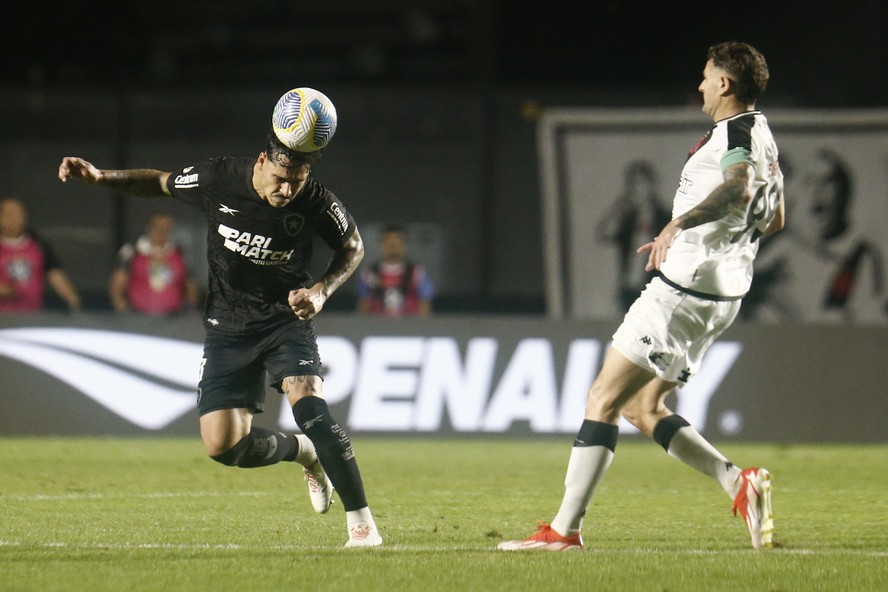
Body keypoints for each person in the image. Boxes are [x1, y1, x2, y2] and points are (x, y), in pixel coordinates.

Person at [498, 41, 784, 552]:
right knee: (642, 407)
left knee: (602, 399)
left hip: (683, 290)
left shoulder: (737, 133)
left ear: (725, 84)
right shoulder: (763, 135)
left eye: (705, 76)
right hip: (723, 295)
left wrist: (680, 222)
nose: (699, 85)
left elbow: (738, 189)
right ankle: (737, 485)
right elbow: (775, 216)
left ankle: (563, 531)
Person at [58, 127, 383, 547]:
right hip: (228, 327)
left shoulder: (317, 201)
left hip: (285, 319)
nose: (286, 191)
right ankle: (304, 452)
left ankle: (362, 525)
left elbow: (353, 247)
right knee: (223, 446)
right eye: (280, 180)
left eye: (295, 183)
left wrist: (321, 291)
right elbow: (159, 182)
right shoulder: (219, 179)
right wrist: (101, 177)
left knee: (311, 408)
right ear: (262, 162)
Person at [595, 160, 672, 313]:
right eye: (633, 185)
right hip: (629, 289)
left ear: (651, 186)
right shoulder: (626, 217)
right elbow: (605, 234)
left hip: (656, 290)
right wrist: (619, 206)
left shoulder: (665, 217)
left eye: (641, 184)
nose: (637, 189)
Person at [109, 211, 200, 315]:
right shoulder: (131, 250)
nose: (162, 231)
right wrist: (124, 312)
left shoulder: (180, 252)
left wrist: (190, 311)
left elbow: (191, 285)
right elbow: (117, 285)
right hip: (138, 317)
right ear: (149, 227)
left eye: (167, 228)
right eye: (158, 227)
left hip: (173, 318)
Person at [0, 197, 81, 313]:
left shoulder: (38, 244)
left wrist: (72, 298)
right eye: (9, 214)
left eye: (19, 213)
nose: (14, 218)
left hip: (32, 315)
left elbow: (54, 274)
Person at [355, 223, 434, 317]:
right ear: (381, 245)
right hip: (376, 327)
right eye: (388, 241)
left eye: (397, 241)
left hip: (410, 327)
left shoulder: (417, 273)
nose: (393, 245)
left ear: (405, 244)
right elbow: (363, 305)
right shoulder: (369, 273)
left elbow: (425, 305)